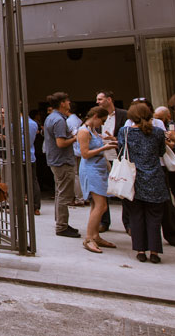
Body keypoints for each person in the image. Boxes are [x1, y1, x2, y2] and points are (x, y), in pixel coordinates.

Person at [117, 103, 170, 263]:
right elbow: (161, 152)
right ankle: (154, 252)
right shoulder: (158, 132)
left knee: (136, 216)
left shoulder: (125, 132)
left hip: (134, 178)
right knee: (155, 217)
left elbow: (121, 151)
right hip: (154, 177)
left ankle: (140, 250)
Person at [77, 107, 117, 253]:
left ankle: (95, 235)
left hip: (98, 169)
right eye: (102, 120)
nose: (102, 123)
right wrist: (104, 148)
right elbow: (85, 154)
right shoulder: (84, 131)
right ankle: (89, 237)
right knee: (100, 205)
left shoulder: (92, 130)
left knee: (99, 204)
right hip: (91, 169)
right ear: (95, 116)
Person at [43, 92, 80, 238]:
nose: (69, 103)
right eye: (67, 101)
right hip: (62, 160)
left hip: (55, 160)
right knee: (64, 194)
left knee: (60, 193)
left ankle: (61, 222)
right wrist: (75, 138)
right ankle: (62, 226)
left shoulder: (51, 118)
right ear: (62, 103)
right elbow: (61, 143)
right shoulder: (59, 120)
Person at [96, 90, 128, 233]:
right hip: (103, 156)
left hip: (118, 156)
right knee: (104, 190)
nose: (98, 102)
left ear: (109, 99)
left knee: (123, 189)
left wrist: (115, 139)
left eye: (100, 99)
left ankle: (128, 224)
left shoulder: (123, 114)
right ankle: (104, 221)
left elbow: (128, 135)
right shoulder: (98, 116)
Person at [155, 106, 175, 228]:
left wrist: (168, 141)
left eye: (160, 118)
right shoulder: (156, 127)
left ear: (168, 116)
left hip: (174, 163)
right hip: (164, 164)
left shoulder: (174, 128)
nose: (158, 120)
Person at [67, 102, 85, 207]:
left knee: (75, 174)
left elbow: (72, 135)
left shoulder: (69, 121)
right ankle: (83, 197)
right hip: (79, 148)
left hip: (73, 149)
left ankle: (79, 198)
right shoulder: (78, 120)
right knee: (79, 173)